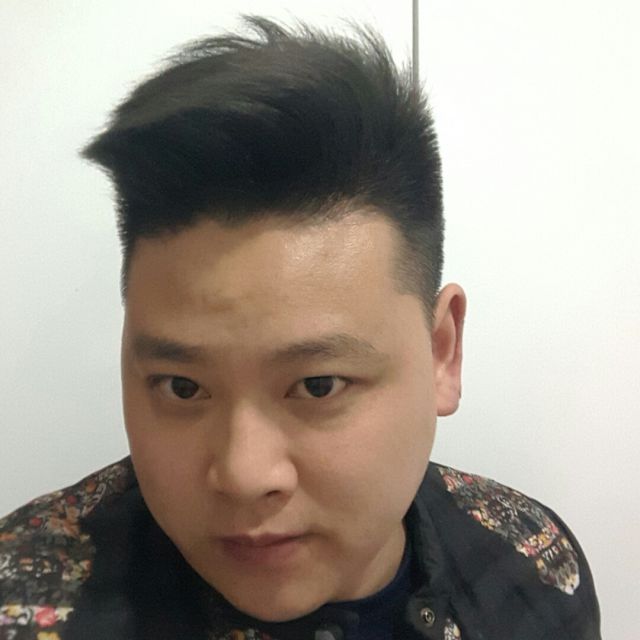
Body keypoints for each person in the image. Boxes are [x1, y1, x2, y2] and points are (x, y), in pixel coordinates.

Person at [0, 16, 600, 640]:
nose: (244, 476)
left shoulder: (533, 569)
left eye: (318, 385)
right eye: (182, 387)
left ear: (441, 353)